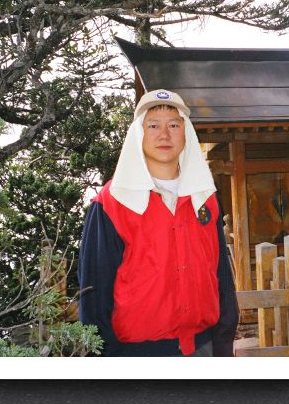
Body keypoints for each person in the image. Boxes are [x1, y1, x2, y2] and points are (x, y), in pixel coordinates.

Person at [78, 89, 239, 356]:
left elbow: (221, 276)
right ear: (138, 135)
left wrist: (222, 345)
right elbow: (94, 293)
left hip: (202, 348)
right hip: (135, 355)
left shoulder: (204, 198)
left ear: (186, 133)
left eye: (174, 125)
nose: (164, 135)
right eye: (153, 125)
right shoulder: (112, 203)